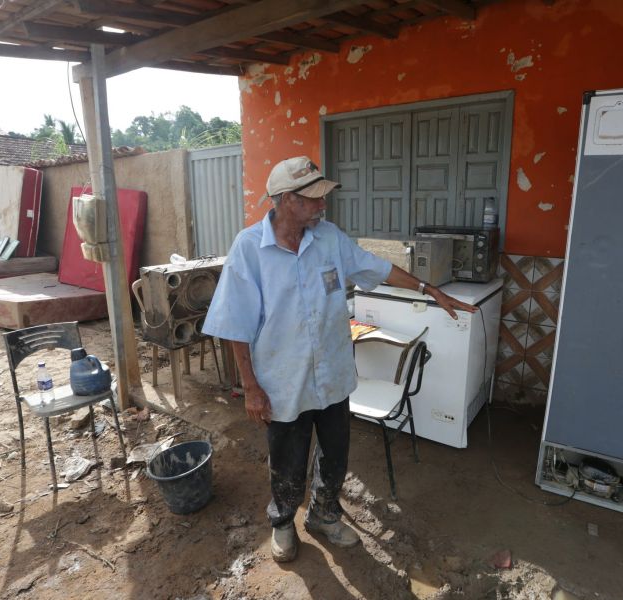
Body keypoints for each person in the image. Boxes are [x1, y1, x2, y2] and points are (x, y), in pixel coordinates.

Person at [203, 156, 477, 563]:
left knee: (335, 453)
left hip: (331, 373)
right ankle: (282, 523)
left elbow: (377, 269)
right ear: (283, 200)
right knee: (288, 461)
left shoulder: (329, 238)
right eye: (312, 199)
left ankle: (324, 515)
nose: (322, 206)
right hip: (282, 382)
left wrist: (428, 289)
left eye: (322, 197)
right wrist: (252, 387)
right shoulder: (249, 249)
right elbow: (234, 325)